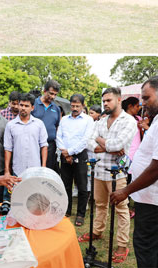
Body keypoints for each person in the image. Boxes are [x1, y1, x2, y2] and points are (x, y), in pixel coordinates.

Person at [78, 87, 137, 264]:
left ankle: (121, 244)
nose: (105, 103)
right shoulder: (101, 121)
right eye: (103, 101)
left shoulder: (129, 121)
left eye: (109, 100)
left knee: (121, 209)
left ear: (119, 100)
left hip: (117, 173)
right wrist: (108, 146)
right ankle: (97, 231)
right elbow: (88, 142)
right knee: (100, 204)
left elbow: (119, 144)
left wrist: (100, 141)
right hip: (99, 170)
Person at [110, 76, 158, 268]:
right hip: (151, 199)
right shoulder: (157, 120)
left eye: (147, 98)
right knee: (155, 250)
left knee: (146, 247)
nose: (142, 103)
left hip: (154, 201)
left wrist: (126, 191)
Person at [56, 94, 94, 227]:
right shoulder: (64, 119)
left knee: (82, 186)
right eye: (73, 106)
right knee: (66, 185)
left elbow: (85, 140)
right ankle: (66, 210)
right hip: (64, 155)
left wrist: (70, 152)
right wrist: (65, 153)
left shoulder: (88, 120)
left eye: (78, 106)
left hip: (80, 155)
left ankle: (81, 214)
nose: (75, 108)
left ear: (83, 106)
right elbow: (58, 136)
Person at [3, 93, 48, 179]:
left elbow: (44, 146)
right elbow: (7, 149)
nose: (23, 108)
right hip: (17, 170)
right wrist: (7, 170)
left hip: (35, 170)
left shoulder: (39, 124)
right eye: (21, 105)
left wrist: (43, 167)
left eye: (26, 106)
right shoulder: (10, 125)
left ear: (32, 108)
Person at [32, 80, 63, 173]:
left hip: (50, 146)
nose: (53, 97)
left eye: (55, 94)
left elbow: (57, 127)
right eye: (51, 93)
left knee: (47, 172)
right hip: (34, 144)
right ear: (44, 91)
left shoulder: (56, 108)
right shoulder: (33, 104)